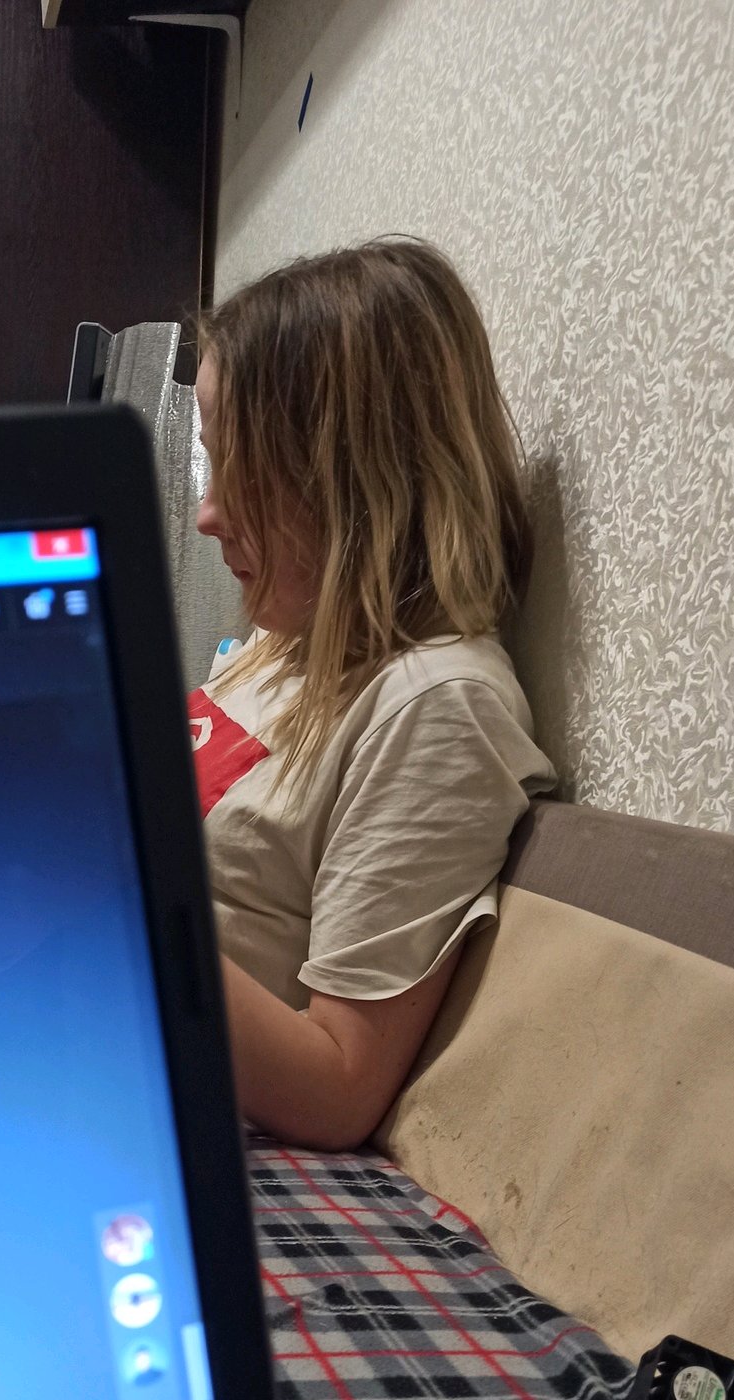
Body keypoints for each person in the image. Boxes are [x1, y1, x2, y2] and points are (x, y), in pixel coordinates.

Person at [192, 237, 556, 1150]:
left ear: (350, 480)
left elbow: (337, 1086)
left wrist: (115, 908)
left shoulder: (437, 705)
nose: (207, 514)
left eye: (241, 468)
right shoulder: (283, 643)